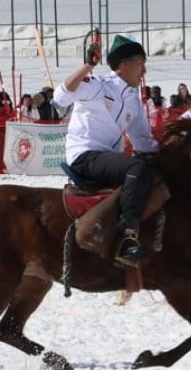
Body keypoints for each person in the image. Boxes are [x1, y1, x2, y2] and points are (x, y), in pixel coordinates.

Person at [53, 34, 159, 267]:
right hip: (85, 156)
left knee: (148, 168)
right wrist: (88, 66)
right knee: (136, 168)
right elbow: (60, 97)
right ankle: (126, 238)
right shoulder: (98, 85)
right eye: (141, 64)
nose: (144, 72)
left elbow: (143, 143)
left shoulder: (135, 102)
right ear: (124, 64)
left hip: (109, 160)